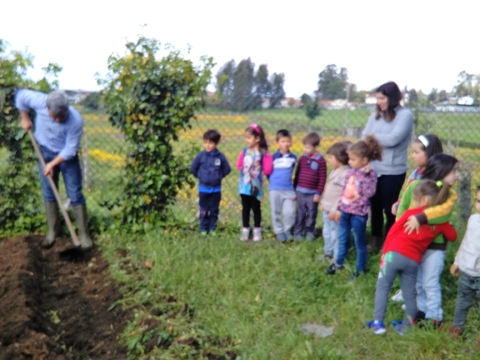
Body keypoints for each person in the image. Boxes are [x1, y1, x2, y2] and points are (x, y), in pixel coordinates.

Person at [366, 179, 457, 335]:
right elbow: (453, 236)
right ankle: (407, 326)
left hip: (393, 255)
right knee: (410, 293)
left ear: (424, 200)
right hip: (414, 260)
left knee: (383, 287)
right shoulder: (440, 222)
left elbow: (393, 232)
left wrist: (385, 252)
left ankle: (378, 323)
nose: (413, 203)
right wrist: (444, 225)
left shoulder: (411, 214)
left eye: (415, 200)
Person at [15, 89, 93, 249]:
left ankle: (84, 235)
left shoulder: (75, 120)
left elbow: (71, 149)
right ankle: (52, 232)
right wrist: (25, 118)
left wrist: (52, 164)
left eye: (61, 116)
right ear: (47, 108)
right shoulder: (39, 101)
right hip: (44, 151)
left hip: (66, 157)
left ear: (67, 109)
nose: (58, 120)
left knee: (75, 193)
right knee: (48, 192)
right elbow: (21, 96)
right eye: (54, 116)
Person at [396, 154, 460, 328]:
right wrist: (401, 231)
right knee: (417, 280)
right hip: (414, 245)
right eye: (454, 171)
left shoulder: (450, 194)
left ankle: (434, 316)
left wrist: (421, 218)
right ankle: (421, 310)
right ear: (440, 171)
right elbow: (403, 207)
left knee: (430, 282)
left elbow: (443, 214)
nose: (457, 175)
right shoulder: (415, 185)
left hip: (435, 246)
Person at [390, 134, 443, 302]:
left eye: (416, 152)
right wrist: (398, 202)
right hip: (407, 221)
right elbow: (407, 193)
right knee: (406, 255)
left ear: (429, 153)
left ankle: (416, 292)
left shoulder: (436, 176)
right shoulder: (415, 172)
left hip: (422, 223)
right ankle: (406, 289)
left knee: (418, 260)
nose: (412, 155)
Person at [362, 81, 414, 250]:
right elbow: (364, 137)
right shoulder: (375, 116)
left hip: (393, 171)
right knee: (375, 207)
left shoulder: (405, 116)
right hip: (373, 169)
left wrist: (373, 137)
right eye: (377, 98)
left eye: (382, 98)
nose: (379, 102)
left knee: (390, 209)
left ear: (391, 98)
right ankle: (375, 240)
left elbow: (393, 139)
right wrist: (374, 138)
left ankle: (391, 242)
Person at [326, 136, 382, 281]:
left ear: (364, 160)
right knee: (342, 238)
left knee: (359, 242)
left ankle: (359, 269)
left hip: (358, 214)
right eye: (349, 159)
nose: (349, 162)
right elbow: (345, 190)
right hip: (345, 211)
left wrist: (367, 175)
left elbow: (370, 192)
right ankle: (338, 263)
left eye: (352, 159)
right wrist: (338, 206)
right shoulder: (351, 171)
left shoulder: (371, 174)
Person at [449, 186, 480, 341]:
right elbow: (466, 241)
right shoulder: (474, 219)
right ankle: (457, 328)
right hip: (467, 271)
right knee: (462, 301)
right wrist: (457, 262)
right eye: (478, 201)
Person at [190, 129, 231, 238]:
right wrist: (201, 177)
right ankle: (203, 229)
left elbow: (227, 169)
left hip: (216, 190)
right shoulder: (201, 156)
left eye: (211, 143)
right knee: (203, 210)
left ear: (216, 143)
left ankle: (212, 229)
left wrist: (218, 177)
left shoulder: (220, 157)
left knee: (213, 210)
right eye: (206, 142)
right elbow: (193, 168)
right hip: (203, 189)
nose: (207, 145)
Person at [237, 123, 273, 241]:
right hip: (244, 186)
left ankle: (257, 230)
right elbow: (239, 166)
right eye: (245, 137)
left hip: (256, 187)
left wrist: (266, 160)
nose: (246, 140)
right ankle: (245, 229)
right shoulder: (244, 151)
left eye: (249, 137)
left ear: (257, 138)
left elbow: (267, 169)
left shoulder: (263, 153)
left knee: (256, 208)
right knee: (245, 208)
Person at [293, 132, 327, 242]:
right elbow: (297, 174)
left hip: (312, 194)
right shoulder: (302, 159)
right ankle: (298, 231)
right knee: (300, 213)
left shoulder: (321, 161)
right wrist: (294, 189)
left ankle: (309, 231)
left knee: (312, 213)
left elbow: (322, 179)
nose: (304, 149)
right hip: (300, 191)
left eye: (307, 147)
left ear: (316, 147)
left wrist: (318, 194)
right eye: (304, 146)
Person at [320, 141, 351, 262]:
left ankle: (337, 257)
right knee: (327, 232)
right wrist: (323, 202)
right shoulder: (334, 170)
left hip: (335, 212)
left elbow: (343, 195)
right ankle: (328, 252)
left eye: (331, 157)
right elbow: (329, 190)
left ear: (340, 158)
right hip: (327, 209)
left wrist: (335, 210)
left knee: (336, 235)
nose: (329, 160)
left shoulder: (345, 173)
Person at [269, 129, 297, 243]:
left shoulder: (293, 157)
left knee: (289, 212)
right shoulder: (273, 157)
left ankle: (287, 230)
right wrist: (273, 182)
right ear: (277, 143)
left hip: (288, 190)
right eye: (283, 141)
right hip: (275, 189)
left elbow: (293, 171)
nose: (285, 144)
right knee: (275, 211)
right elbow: (268, 172)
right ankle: (279, 231)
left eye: (288, 141)